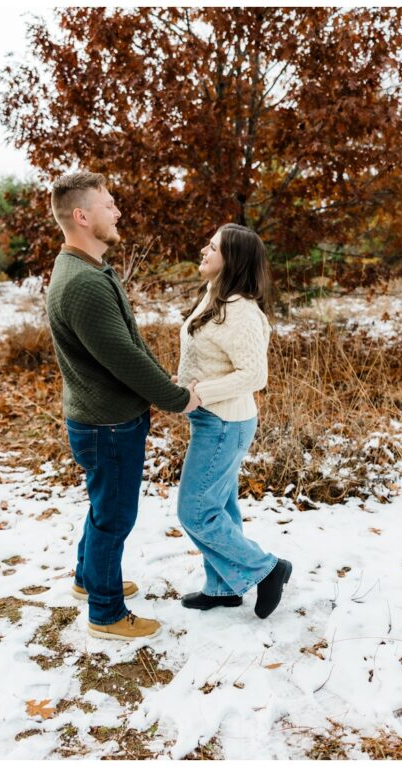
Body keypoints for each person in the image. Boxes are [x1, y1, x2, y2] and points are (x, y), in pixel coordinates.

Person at [45, 171, 200, 641]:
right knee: (114, 516)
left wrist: (161, 378)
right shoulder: (84, 282)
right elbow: (125, 358)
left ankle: (87, 578)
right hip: (107, 424)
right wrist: (177, 398)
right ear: (82, 215)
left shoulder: (86, 268)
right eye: (108, 204)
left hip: (102, 417)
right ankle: (106, 613)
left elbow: (124, 343)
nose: (117, 211)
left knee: (103, 507)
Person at [175, 224, 292, 618]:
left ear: (233, 260)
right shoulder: (215, 297)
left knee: (195, 510)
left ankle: (268, 569)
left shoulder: (240, 310)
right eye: (207, 244)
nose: (204, 251)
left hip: (224, 423)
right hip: (214, 420)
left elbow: (254, 375)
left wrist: (198, 393)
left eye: (213, 248)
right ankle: (223, 589)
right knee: (220, 507)